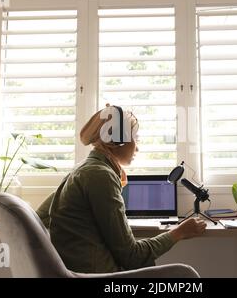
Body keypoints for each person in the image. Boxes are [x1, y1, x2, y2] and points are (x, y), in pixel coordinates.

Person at [36, 104, 206, 273]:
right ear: (115, 141)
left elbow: (40, 219)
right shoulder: (101, 175)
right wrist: (179, 232)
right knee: (185, 274)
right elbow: (132, 257)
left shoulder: (83, 169)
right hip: (94, 275)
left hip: (75, 271)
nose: (137, 147)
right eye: (135, 138)